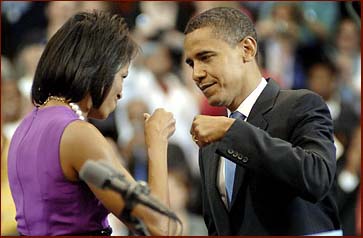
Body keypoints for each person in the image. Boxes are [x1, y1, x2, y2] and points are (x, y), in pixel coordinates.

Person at [7, 11, 176, 236]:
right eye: (122, 77)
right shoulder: (78, 134)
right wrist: (157, 140)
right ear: (100, 69)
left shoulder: (25, 127)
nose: (121, 93)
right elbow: (159, 226)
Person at [183, 7, 341, 236]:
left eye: (205, 57)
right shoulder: (210, 144)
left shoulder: (301, 104)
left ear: (247, 49)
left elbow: (316, 176)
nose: (196, 73)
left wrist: (233, 132)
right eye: (191, 64)